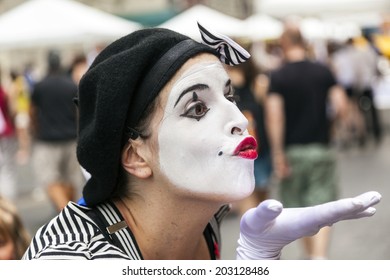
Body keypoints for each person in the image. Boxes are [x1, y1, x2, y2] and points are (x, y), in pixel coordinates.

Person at [22, 24, 381, 260]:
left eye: (230, 96)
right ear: (136, 156)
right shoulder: (73, 261)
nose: (240, 120)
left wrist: (254, 261)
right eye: (196, 108)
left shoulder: (203, 215)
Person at [265, 26, 351, 259]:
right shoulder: (322, 70)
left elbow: (275, 116)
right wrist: (333, 128)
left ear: (283, 44)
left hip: (292, 152)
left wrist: (277, 154)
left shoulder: (278, 75)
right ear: (303, 42)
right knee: (322, 206)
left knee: (299, 209)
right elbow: (341, 105)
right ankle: (319, 257)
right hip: (321, 148)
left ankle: (312, 257)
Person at [29, 50, 85, 212]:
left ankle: (66, 213)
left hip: (47, 140)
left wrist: (34, 129)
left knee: (51, 181)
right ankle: (70, 211)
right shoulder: (70, 84)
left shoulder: (39, 86)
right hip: (70, 137)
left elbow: (32, 112)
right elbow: (78, 111)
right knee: (69, 180)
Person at [226, 56, 272, 216]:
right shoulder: (259, 84)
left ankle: (255, 231)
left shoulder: (227, 85)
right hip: (260, 145)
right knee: (260, 192)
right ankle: (260, 229)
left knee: (249, 193)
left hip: (242, 145)